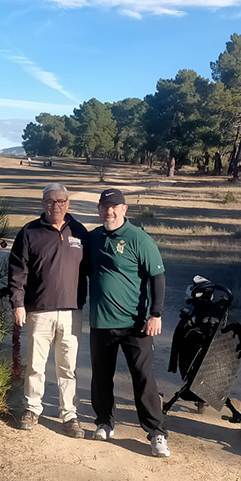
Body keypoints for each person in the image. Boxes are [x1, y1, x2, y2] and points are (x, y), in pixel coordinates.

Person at [84, 188, 170, 458]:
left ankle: (156, 433)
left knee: (143, 378)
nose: (109, 211)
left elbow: (157, 277)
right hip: (101, 321)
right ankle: (104, 422)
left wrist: (156, 314)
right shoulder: (93, 238)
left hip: (136, 324)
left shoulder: (139, 239)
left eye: (114, 207)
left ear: (124, 209)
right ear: (99, 209)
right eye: (104, 206)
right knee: (101, 376)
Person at [8, 183, 88, 438]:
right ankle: (32, 409)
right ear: (43, 203)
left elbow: (92, 270)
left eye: (61, 201)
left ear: (68, 203)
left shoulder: (79, 231)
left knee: (68, 367)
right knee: (36, 365)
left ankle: (69, 415)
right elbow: (17, 271)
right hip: (39, 310)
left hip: (71, 310)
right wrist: (18, 304)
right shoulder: (29, 232)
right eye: (51, 201)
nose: (56, 206)